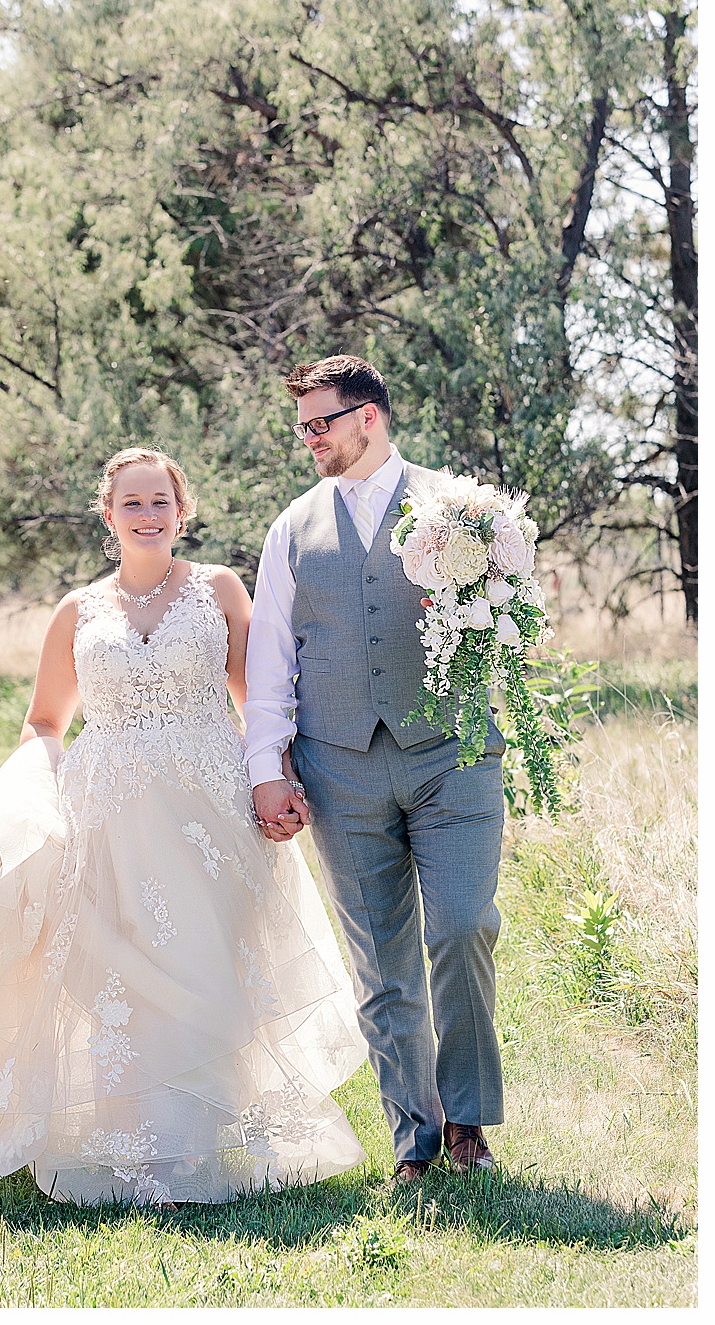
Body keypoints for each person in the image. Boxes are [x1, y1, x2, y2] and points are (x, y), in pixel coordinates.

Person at [0, 447, 368, 1207]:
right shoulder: (77, 611)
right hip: (107, 811)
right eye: (133, 503)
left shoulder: (219, 590)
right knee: (122, 975)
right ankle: (139, 1149)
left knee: (202, 965)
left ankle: (198, 1142)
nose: (149, 515)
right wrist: (27, 797)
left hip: (207, 808)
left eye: (161, 501)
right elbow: (44, 720)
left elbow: (262, 699)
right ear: (109, 514)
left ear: (181, 511)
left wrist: (278, 776)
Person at [245, 355, 505, 1186]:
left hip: (451, 758)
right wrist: (267, 769)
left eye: (322, 421)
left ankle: (467, 1118)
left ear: (370, 418)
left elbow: (507, 625)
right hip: (340, 766)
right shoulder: (291, 528)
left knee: (462, 927)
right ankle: (415, 1140)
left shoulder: (458, 510)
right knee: (381, 965)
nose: (310, 438)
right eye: (303, 426)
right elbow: (270, 658)